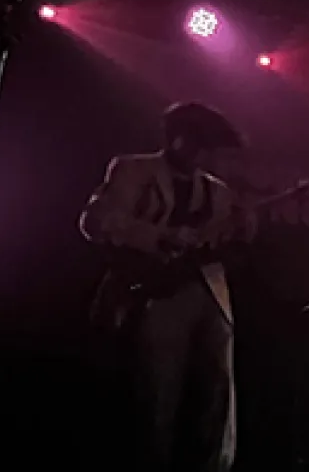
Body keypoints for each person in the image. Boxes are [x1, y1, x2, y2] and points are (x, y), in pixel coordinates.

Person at [79, 102, 256, 472]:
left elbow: (227, 246)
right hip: (155, 294)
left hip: (209, 294)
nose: (204, 155)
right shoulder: (132, 168)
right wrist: (161, 237)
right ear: (177, 139)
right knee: (157, 393)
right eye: (199, 144)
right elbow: (96, 220)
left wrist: (242, 231)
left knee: (216, 397)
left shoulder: (218, 191)